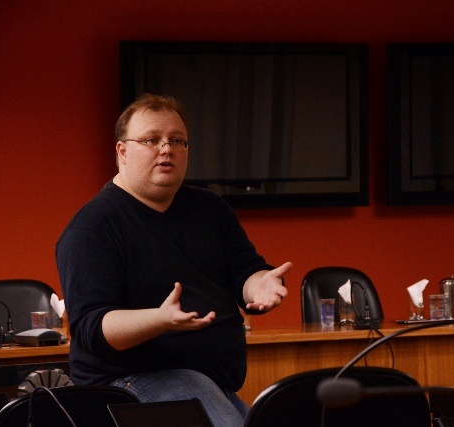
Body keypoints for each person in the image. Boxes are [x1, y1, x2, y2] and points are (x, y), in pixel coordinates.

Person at [56, 93, 292, 427]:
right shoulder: (92, 228)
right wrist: (160, 319)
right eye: (151, 140)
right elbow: (92, 330)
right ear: (122, 152)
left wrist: (259, 284)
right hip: (128, 384)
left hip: (211, 382)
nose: (166, 149)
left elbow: (245, 271)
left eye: (176, 141)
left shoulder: (209, 208)